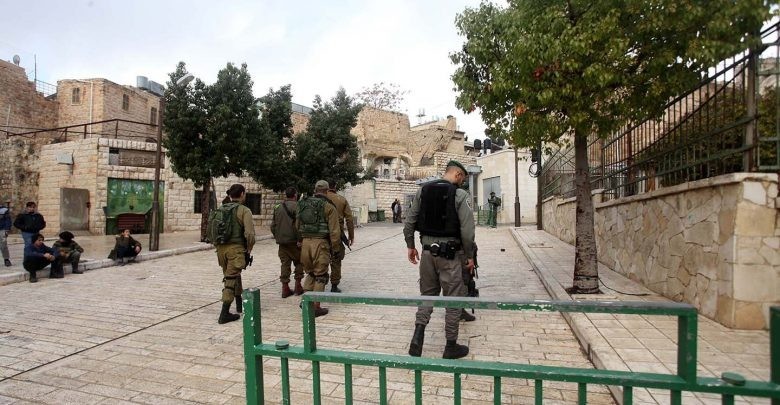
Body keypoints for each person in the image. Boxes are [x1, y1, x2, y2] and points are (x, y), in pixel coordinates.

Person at [404, 160, 476, 359]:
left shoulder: (423, 191)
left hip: (427, 254)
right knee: (453, 299)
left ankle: (417, 338)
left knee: (427, 295)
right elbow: (468, 232)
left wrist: (410, 245)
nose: (462, 182)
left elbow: (409, 222)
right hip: (451, 256)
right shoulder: (460, 195)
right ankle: (450, 346)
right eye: (462, 178)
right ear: (458, 175)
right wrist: (469, 256)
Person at [212, 184, 256, 324]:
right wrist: (249, 249)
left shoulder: (221, 209)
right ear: (242, 194)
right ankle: (224, 313)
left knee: (234, 275)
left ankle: (238, 304)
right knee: (230, 280)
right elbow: (250, 234)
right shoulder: (244, 210)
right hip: (235, 250)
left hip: (221, 250)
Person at [297, 180, 341, 316]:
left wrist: (301, 240)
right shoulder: (329, 207)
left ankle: (306, 301)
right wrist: (336, 249)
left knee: (310, 273)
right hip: (321, 244)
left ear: (315, 190)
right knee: (321, 275)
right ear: (327, 191)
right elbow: (335, 232)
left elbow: (297, 225)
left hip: (305, 243)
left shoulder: (302, 204)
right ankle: (316, 307)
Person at [272, 186, 304, 298]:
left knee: (285, 264)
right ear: (295, 195)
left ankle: (285, 288)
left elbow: (273, 226)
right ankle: (298, 286)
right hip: (294, 241)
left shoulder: (278, 207)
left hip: (282, 242)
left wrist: (277, 236)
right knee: (299, 262)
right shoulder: (298, 206)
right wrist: (300, 239)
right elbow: (299, 225)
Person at [324, 180, 354, 293]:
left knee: (321, 259)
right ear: (335, 186)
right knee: (336, 259)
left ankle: (319, 282)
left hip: (321, 235)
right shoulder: (341, 199)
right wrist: (351, 236)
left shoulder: (318, 199)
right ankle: (334, 285)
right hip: (337, 234)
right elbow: (349, 219)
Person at [0, 201, 11, 266]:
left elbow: (8, 220)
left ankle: (6, 259)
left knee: (3, 245)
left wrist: (6, 230)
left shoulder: (4, 210)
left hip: (2, 230)